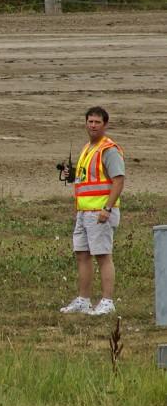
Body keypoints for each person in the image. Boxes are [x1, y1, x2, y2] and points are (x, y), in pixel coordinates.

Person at [60, 106, 126, 316]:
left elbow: (118, 180)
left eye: (97, 122)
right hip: (83, 211)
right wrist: (71, 175)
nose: (93, 125)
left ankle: (107, 301)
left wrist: (107, 208)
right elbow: (86, 179)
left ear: (105, 124)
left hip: (100, 212)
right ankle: (84, 299)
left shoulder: (109, 149)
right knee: (82, 254)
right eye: (90, 121)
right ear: (86, 123)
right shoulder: (87, 148)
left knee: (103, 256)